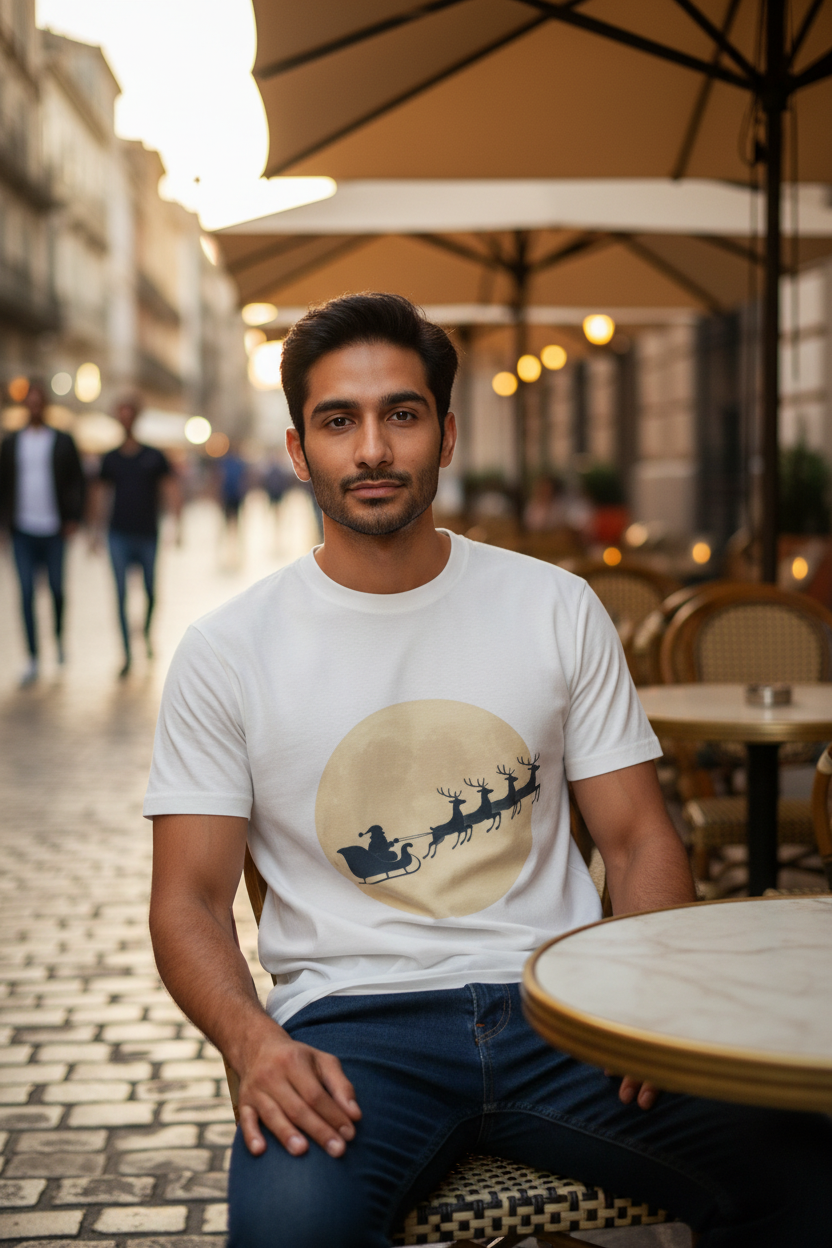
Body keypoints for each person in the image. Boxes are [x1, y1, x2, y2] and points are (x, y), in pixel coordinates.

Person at [146, 294, 831, 1248]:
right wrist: (252, 1041)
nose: (373, 448)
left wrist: (649, 994)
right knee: (285, 1236)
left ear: (447, 434)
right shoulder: (227, 650)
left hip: (568, 1005)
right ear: (300, 451)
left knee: (810, 1178)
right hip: (353, 1034)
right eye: (339, 421)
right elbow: (187, 898)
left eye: (402, 413)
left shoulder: (555, 605)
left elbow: (637, 840)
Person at [0, 380, 85, 685]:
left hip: (54, 530)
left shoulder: (62, 441)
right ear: (25, 405)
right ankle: (33, 657)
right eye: (29, 401)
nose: (34, 406)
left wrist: (75, 518)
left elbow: (78, 481)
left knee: (57, 590)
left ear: (45, 405)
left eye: (39, 401)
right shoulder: (11, 443)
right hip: (22, 530)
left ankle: (59, 640)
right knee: (25, 593)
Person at [91, 398, 181, 677]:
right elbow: (100, 494)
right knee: (119, 594)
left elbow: (169, 489)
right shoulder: (110, 458)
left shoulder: (154, 456)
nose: (126, 419)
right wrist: (95, 531)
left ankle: (145, 633)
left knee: (151, 592)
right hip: (118, 534)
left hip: (147, 534)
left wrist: (177, 524)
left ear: (137, 418)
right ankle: (127, 654)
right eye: (122, 414)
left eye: (130, 414)